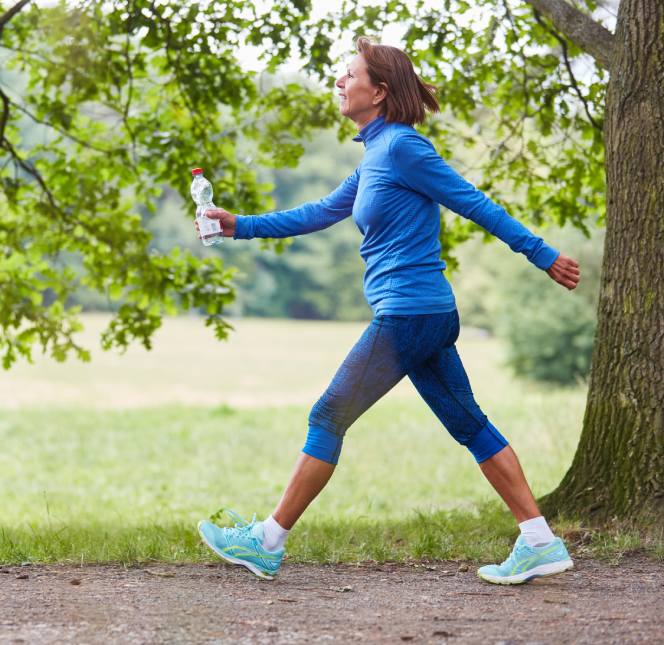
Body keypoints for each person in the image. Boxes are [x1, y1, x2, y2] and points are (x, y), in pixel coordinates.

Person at [195, 37, 582, 585]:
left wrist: (541, 254)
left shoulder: (403, 148)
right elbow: (320, 212)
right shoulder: (375, 155)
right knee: (469, 424)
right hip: (422, 316)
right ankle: (539, 540)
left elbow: (472, 201)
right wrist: (240, 225)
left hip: (408, 315)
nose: (339, 82)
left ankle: (267, 541)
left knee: (328, 416)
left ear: (378, 91)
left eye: (349, 75)